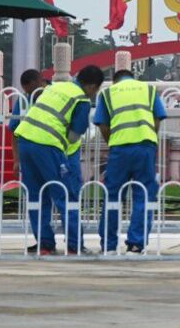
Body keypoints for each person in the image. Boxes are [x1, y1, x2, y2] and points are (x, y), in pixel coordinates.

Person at [12, 65, 104, 255]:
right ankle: (74, 245)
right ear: (92, 86)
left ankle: (45, 244)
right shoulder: (81, 99)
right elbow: (73, 136)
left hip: (25, 141)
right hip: (48, 144)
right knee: (65, 194)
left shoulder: (55, 87)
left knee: (36, 197)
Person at [95, 69, 168, 255]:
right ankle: (136, 244)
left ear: (115, 81)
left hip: (119, 148)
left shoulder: (107, 93)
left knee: (113, 196)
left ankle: (109, 246)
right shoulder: (149, 89)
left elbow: (103, 124)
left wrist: (113, 141)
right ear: (133, 78)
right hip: (145, 146)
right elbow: (158, 118)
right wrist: (150, 136)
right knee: (143, 194)